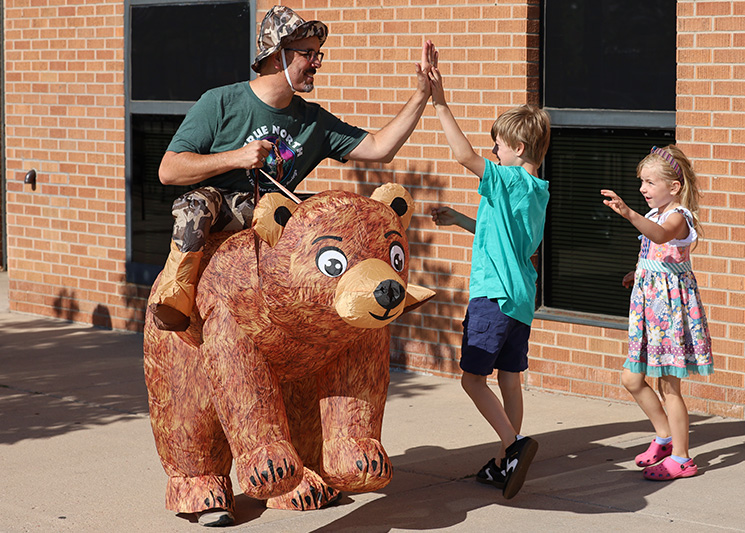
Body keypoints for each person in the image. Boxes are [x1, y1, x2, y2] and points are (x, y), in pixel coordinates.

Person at [149, 5, 436, 331]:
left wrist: (421, 94)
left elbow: (380, 148)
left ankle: (383, 290)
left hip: (283, 215)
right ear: (277, 56)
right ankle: (176, 297)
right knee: (195, 204)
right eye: (308, 54)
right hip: (231, 208)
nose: (317, 63)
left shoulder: (314, 121)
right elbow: (168, 171)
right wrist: (235, 157)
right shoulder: (220, 103)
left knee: (349, 213)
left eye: (318, 54)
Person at [426, 57, 550, 499]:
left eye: (497, 145)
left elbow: (462, 155)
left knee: (472, 379)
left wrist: (439, 101)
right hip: (519, 298)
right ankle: (505, 462)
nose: (493, 151)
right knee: (509, 379)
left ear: (517, 147)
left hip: (492, 297)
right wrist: (460, 217)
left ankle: (513, 446)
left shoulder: (510, 180)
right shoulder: (540, 191)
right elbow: (507, 238)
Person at [601, 145, 713, 481]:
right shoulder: (654, 215)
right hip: (649, 307)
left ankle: (682, 458)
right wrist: (639, 271)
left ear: (673, 187)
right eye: (642, 182)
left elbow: (663, 236)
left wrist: (627, 212)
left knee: (669, 386)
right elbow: (657, 250)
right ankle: (664, 438)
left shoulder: (678, 216)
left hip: (671, 313)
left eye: (649, 183)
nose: (642, 189)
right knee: (631, 378)